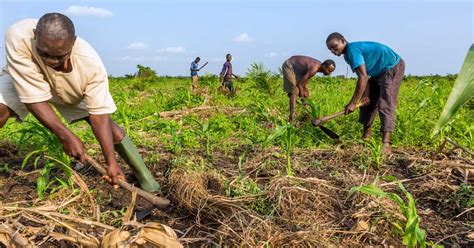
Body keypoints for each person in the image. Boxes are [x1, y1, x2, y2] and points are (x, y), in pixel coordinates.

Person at [0, 13, 161, 192]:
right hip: (27, 77)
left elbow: (99, 116)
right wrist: (66, 136)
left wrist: (111, 162)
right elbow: (33, 96)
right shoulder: (18, 35)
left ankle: (146, 178)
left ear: (73, 42)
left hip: (72, 86)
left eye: (60, 56)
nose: (51, 61)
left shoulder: (90, 64)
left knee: (111, 130)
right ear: (35, 35)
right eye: (44, 53)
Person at [326, 32, 405, 155]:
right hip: (377, 72)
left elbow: (362, 78)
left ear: (343, 41)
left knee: (385, 102)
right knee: (367, 102)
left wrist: (352, 103)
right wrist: (365, 96)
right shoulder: (347, 56)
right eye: (330, 49)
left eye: (334, 46)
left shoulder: (353, 50)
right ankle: (366, 136)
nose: (333, 50)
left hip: (391, 66)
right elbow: (365, 75)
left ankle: (386, 144)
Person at [282, 56, 336, 123]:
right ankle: (291, 119)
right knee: (294, 91)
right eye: (329, 71)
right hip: (290, 65)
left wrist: (304, 94)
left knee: (305, 92)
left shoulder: (318, 67)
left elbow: (303, 84)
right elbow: (300, 85)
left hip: (298, 70)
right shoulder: (314, 68)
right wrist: (303, 101)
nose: (329, 74)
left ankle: (305, 115)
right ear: (324, 66)